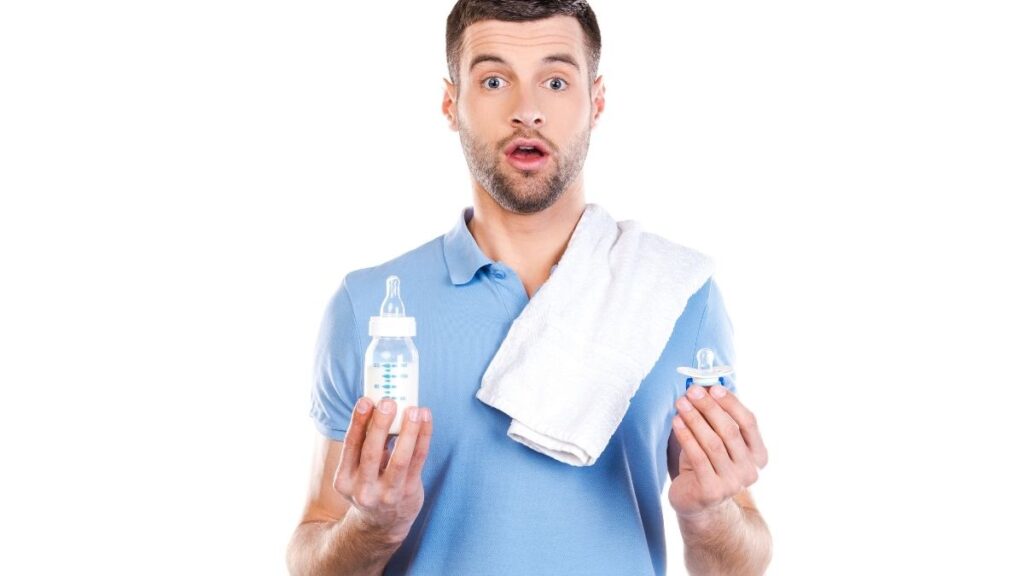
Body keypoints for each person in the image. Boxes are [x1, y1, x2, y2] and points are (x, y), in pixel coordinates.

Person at [286, 1, 771, 574]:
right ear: (451, 104)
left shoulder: (676, 295)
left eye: (556, 81)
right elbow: (313, 545)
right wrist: (372, 527)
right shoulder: (367, 306)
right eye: (494, 80)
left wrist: (708, 517)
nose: (528, 111)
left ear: (596, 101)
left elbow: (739, 561)